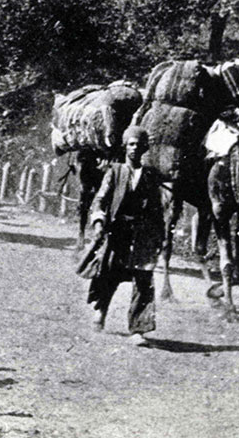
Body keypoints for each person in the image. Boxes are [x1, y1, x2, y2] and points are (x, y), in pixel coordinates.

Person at [83, 125, 165, 346]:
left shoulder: (150, 176)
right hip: (117, 231)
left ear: (145, 148)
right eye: (131, 144)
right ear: (125, 147)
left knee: (143, 278)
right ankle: (101, 310)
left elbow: (157, 208)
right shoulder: (115, 171)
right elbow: (100, 198)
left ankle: (138, 329)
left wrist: (160, 236)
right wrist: (99, 220)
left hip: (142, 234)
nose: (135, 149)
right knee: (109, 272)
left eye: (139, 145)